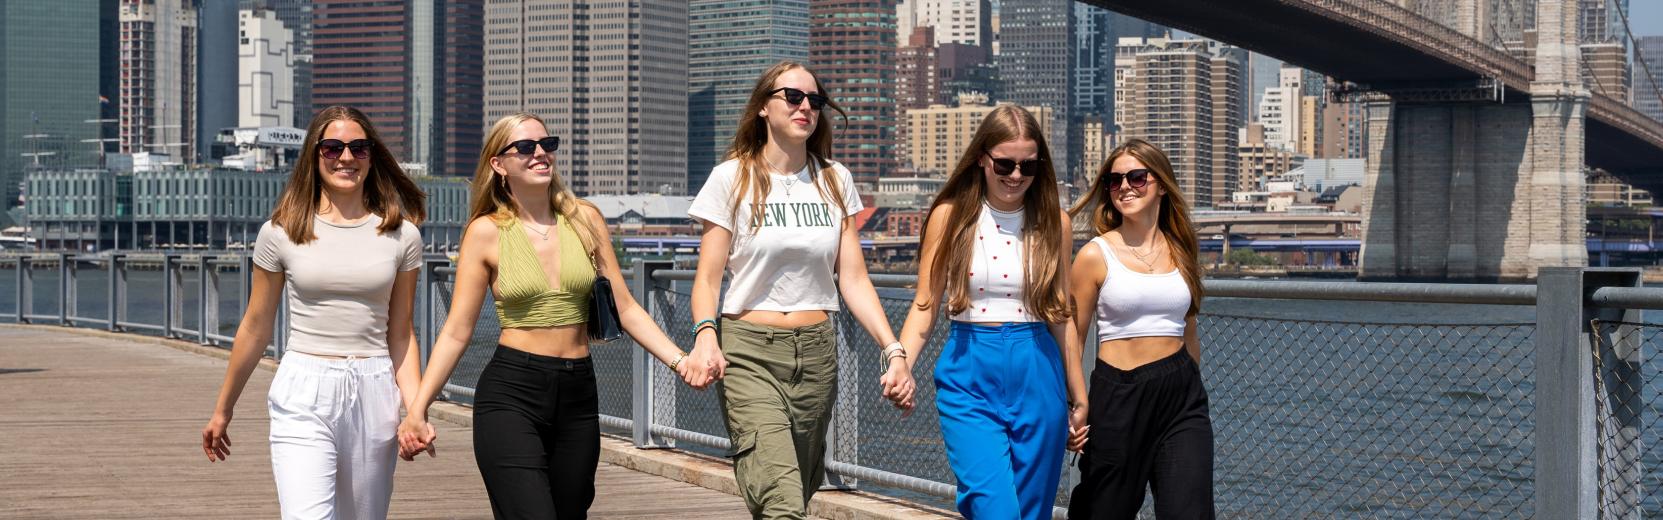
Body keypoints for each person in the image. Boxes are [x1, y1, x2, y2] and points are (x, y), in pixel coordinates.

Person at [395, 113, 695, 520]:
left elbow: (626, 308)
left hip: (578, 394)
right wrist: (418, 408)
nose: (540, 153)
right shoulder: (486, 231)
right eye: (524, 147)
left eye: (546, 144)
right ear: (499, 165)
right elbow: (456, 331)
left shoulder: (585, 219)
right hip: (512, 391)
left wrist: (681, 361)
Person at [683, 60, 914, 519]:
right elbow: (707, 278)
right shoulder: (731, 178)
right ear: (764, 108)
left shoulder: (835, 179)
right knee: (782, 500)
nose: (806, 106)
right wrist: (705, 335)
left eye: (815, 100)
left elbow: (853, 278)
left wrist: (894, 350)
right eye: (793, 97)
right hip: (748, 352)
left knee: (799, 487)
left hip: (816, 355)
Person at [201, 105, 430, 520]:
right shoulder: (280, 232)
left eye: (359, 148)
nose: (346, 157)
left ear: (372, 156)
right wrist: (224, 408)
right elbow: (255, 327)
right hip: (304, 386)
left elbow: (401, 333)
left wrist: (415, 411)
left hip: (374, 388)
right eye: (333, 147)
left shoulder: (402, 235)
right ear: (314, 155)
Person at [894, 105, 1083, 519]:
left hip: (1039, 372)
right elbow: (925, 306)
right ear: (982, 158)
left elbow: (1061, 316)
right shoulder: (950, 218)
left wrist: (1079, 397)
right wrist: (900, 363)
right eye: (1004, 163)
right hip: (969, 372)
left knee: (1031, 513)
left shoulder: (1056, 222)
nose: (1016, 175)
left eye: (1028, 165)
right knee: (994, 507)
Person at [1066, 139, 1214, 519]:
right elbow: (1072, 339)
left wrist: (1190, 386)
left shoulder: (1182, 250)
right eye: (1114, 181)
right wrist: (1075, 406)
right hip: (1118, 396)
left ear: (1161, 184)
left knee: (1190, 512)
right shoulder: (1095, 255)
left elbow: (1189, 333)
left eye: (1136, 177)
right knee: (1103, 511)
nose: (1125, 187)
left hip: (1181, 398)